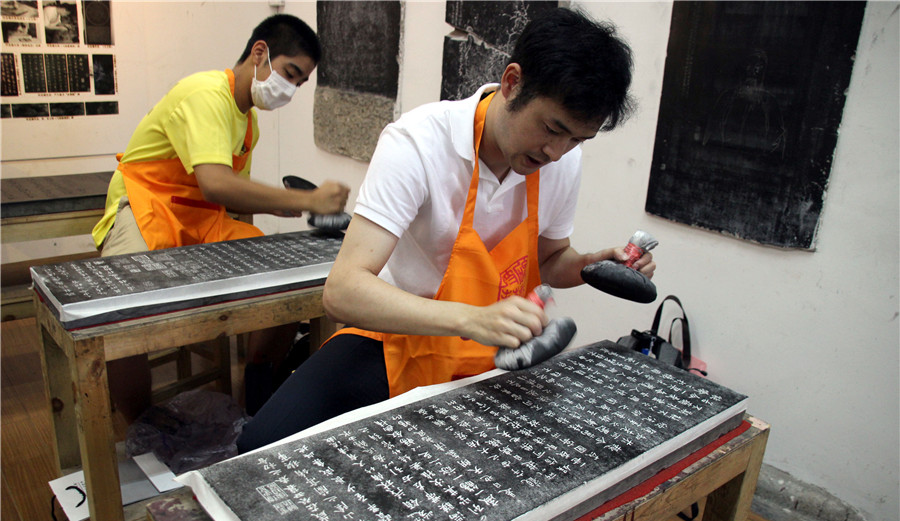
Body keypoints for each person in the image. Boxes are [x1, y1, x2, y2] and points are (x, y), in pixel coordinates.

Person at [237, 7, 654, 453]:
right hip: (404, 339)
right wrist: (472, 318)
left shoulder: (561, 161)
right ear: (512, 82)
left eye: (576, 140)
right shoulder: (418, 142)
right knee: (262, 443)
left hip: (498, 356)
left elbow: (550, 259)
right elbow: (342, 292)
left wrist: (593, 263)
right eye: (552, 129)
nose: (557, 151)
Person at [94, 14, 350, 420]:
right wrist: (314, 200)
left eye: (300, 83)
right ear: (260, 52)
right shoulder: (204, 93)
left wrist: (280, 204)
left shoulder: (248, 125)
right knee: (122, 309)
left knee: (284, 280)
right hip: (145, 207)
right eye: (290, 73)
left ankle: (258, 391)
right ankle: (140, 421)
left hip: (203, 219)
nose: (290, 90)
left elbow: (229, 200)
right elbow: (215, 183)